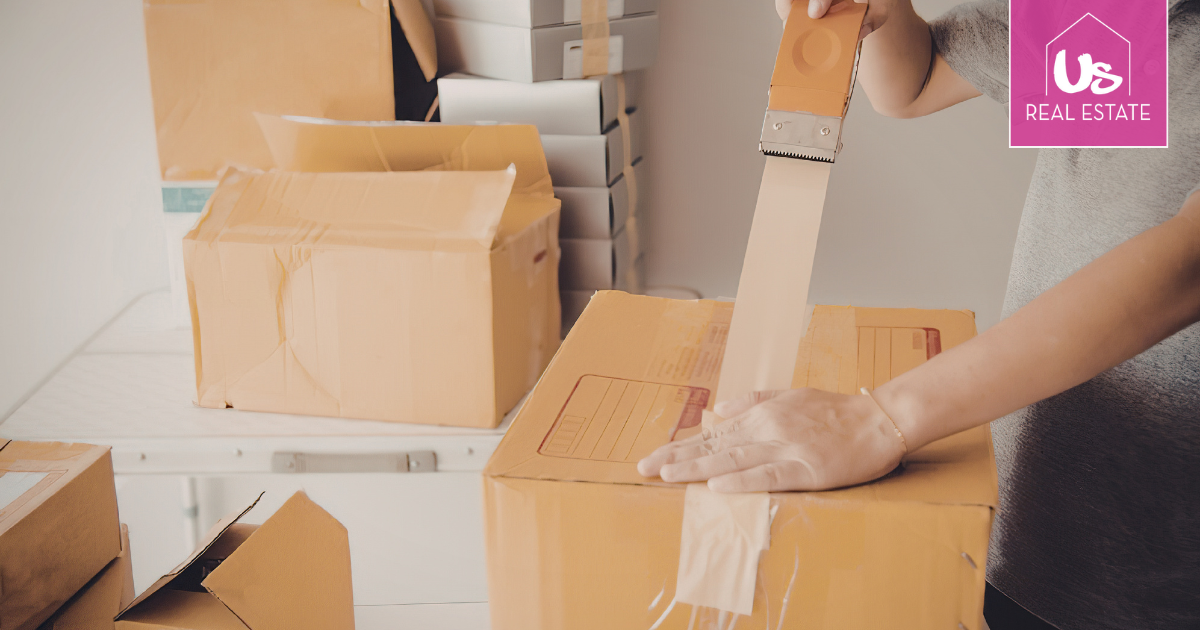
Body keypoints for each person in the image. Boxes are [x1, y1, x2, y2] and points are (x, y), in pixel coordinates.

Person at [637, 0, 1200, 628]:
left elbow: (1190, 261)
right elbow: (917, 79)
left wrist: (878, 419)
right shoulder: (1115, 14)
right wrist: (879, 11)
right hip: (1034, 531)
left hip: (1162, 567)